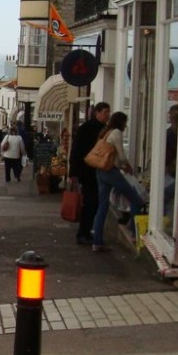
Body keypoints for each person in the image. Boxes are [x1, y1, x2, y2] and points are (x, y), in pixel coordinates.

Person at [91, 111, 146, 253]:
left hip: (101, 170)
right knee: (136, 200)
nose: (126, 125)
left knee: (103, 206)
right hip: (111, 172)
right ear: (121, 122)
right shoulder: (116, 133)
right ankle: (134, 233)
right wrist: (128, 167)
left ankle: (97, 241)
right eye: (125, 122)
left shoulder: (106, 132)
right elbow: (121, 155)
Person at [69, 102, 111, 246]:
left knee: (94, 203)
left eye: (108, 113)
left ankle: (87, 232)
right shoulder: (87, 128)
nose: (107, 115)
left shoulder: (104, 130)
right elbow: (76, 150)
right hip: (87, 172)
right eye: (105, 112)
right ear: (97, 113)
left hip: (97, 172)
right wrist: (74, 172)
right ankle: (83, 233)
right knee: (91, 203)